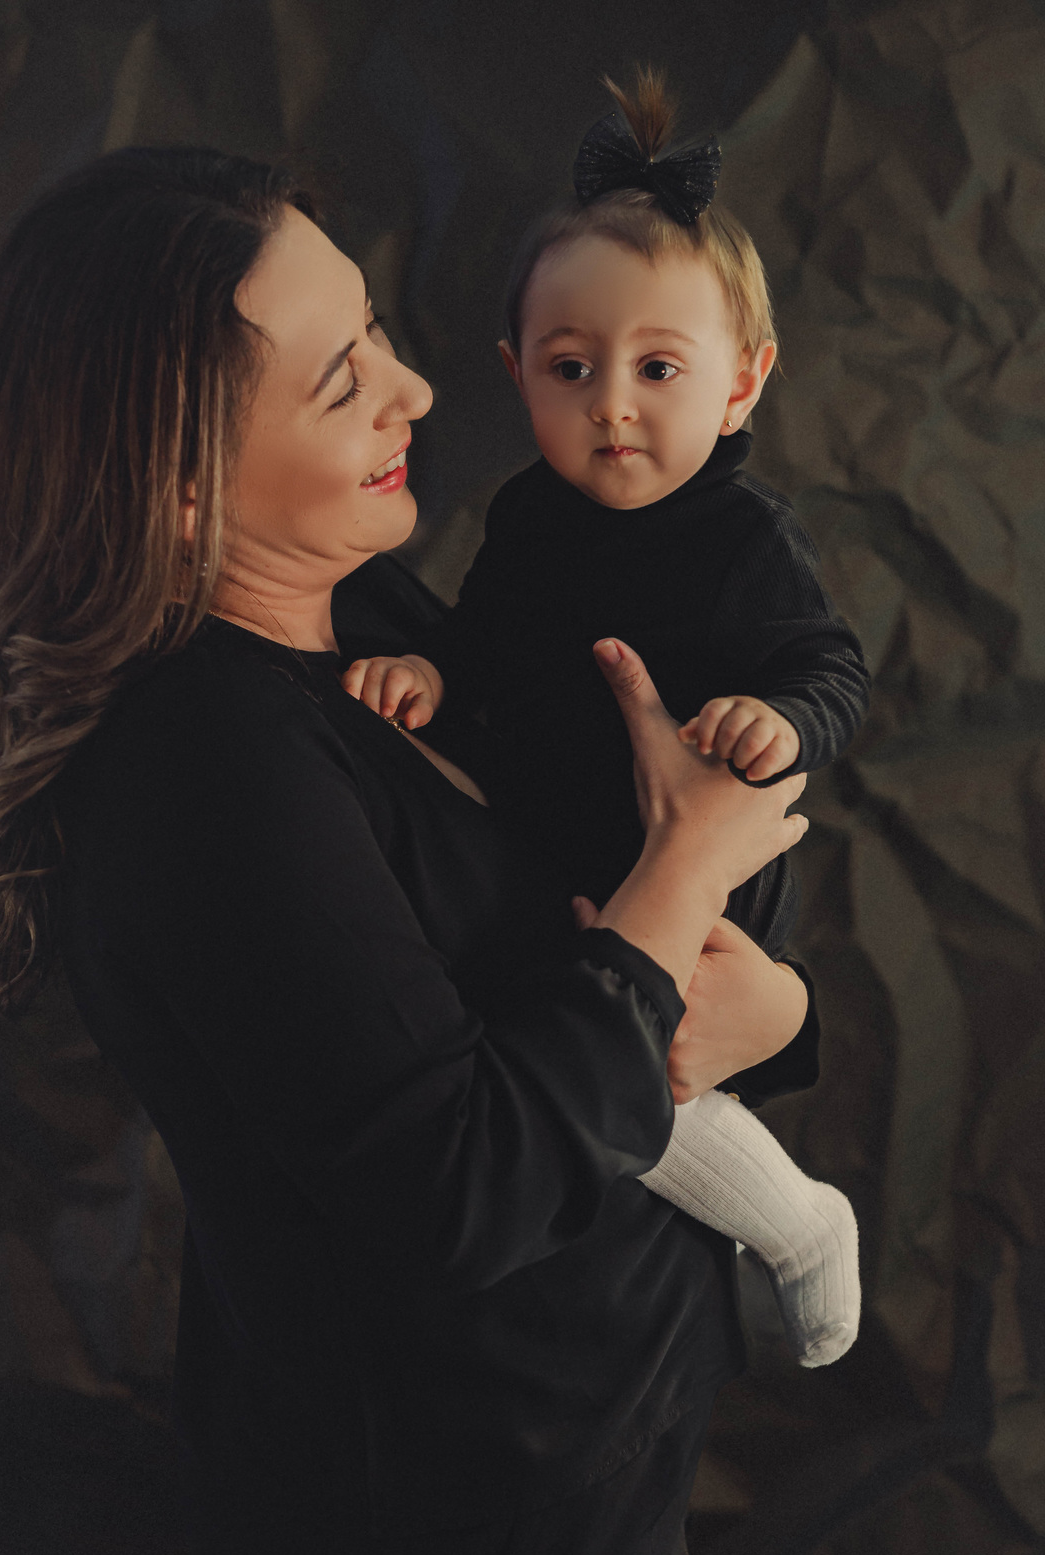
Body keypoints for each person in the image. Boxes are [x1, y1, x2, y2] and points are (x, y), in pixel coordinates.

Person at [0, 145, 816, 1555]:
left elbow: (549, 958)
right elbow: (458, 1184)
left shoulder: (365, 604)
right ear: (183, 486)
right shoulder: (210, 771)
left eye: (380, 332)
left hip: (584, 1462)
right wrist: (686, 874)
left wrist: (774, 1010)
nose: (417, 388)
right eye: (344, 380)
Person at [342, 67, 868, 1368]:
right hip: (558, 836)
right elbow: (484, 641)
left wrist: (778, 719)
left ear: (743, 384)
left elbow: (830, 667)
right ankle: (748, 1222)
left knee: (629, 1055)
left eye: (658, 368)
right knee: (557, 1053)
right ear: (516, 375)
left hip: (697, 866)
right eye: (571, 369)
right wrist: (435, 678)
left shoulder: (743, 541)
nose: (613, 404)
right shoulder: (528, 519)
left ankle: (799, 1221)